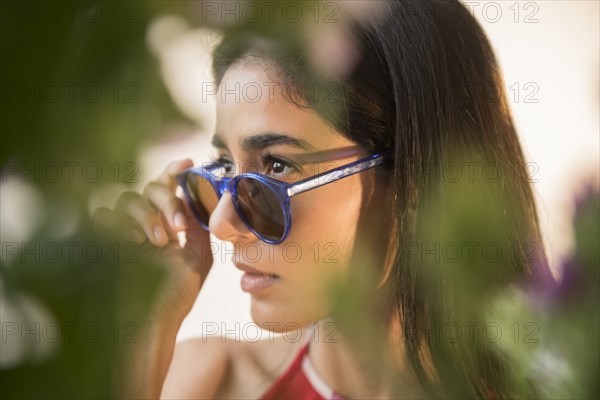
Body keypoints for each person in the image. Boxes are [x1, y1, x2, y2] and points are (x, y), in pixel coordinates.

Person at [93, 1, 554, 398]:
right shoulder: (202, 381)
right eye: (226, 170)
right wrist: (140, 332)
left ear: (417, 183)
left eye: (276, 166)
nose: (220, 225)